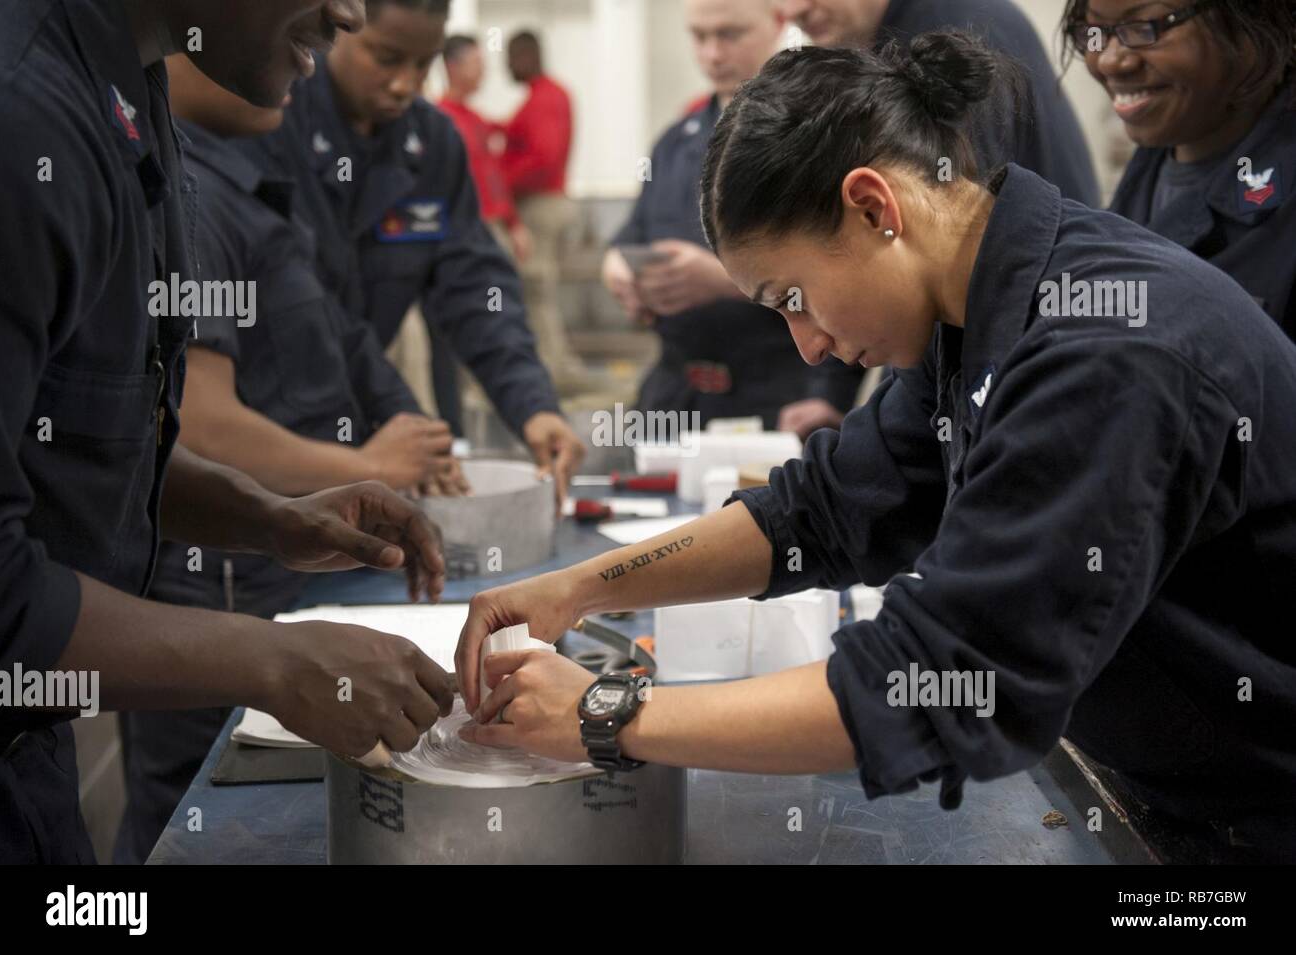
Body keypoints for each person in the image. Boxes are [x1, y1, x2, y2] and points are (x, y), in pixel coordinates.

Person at [453, 34, 1296, 863]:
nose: (807, 347)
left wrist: (608, 714)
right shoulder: (974, 306)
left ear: (873, 206)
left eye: (794, 297)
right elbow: (818, 510)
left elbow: (939, 682)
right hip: (1160, 794)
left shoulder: (1104, 353)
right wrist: (580, 587)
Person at [0, 0, 457, 865]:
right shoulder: (19, 116)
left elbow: (77, 437)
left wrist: (267, 516)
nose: (349, 12)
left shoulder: (126, 92)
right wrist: (273, 661)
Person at [112, 54, 476, 864]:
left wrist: (291, 507)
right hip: (215, 591)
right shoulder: (191, 199)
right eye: (313, 10)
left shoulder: (254, 181)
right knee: (201, 821)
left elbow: (345, 338)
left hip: (262, 563)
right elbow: (199, 423)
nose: (328, 37)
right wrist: (350, 461)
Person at [250, 0, 586, 496]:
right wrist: (403, 412)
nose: (406, 83)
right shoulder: (268, 120)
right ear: (339, 29)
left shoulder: (433, 145)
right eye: (386, 58)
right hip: (262, 437)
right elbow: (308, 312)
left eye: (423, 63)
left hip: (365, 431)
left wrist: (533, 405)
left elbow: (475, 287)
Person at [775, 0, 1101, 439]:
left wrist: (887, 430)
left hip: (1049, 340)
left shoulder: (951, 31)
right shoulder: (901, 38)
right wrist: (838, 395)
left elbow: (927, 244)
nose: (794, 8)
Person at [602, 0, 856, 429]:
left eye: (729, 34)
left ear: (777, 22)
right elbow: (633, 234)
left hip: (783, 396)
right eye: (699, 37)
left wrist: (725, 282)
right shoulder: (675, 142)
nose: (712, 55)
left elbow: (850, 271)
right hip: (677, 400)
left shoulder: (818, 135)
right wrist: (618, 271)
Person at [1065, 0, 1296, 339]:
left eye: (1144, 28)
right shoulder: (1151, 168)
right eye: (1094, 32)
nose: (1110, 60)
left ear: (1253, 22)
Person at [500, 30, 587, 391]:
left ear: (525, 56)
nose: (505, 66)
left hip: (540, 205)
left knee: (536, 290)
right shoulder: (548, 95)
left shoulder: (544, 98)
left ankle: (553, 371)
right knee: (541, 291)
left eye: (510, 57)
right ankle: (556, 366)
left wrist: (499, 180)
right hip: (549, 201)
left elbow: (542, 159)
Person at [439, 34, 532, 264]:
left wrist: (513, 223)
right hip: (461, 230)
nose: (483, 72)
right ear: (453, 67)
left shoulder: (476, 121)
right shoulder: (440, 121)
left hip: (491, 226)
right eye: (476, 64)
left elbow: (494, 176)